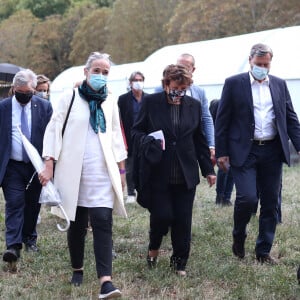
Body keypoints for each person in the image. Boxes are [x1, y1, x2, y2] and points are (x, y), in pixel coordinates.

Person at [40, 52, 127, 299]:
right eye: (97, 70)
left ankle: (106, 282)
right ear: (86, 72)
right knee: (77, 225)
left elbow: (115, 136)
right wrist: (49, 164)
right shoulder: (70, 97)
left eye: (105, 72)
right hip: (74, 172)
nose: (101, 75)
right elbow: (54, 130)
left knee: (103, 222)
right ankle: (77, 268)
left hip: (102, 172)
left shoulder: (110, 100)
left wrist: (121, 171)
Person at [215, 43, 300, 264]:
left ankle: (263, 251)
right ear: (250, 61)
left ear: (270, 63)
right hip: (245, 150)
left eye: (266, 64)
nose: (263, 67)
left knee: (271, 202)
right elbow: (222, 121)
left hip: (272, 150)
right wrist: (222, 152)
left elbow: (290, 118)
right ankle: (239, 234)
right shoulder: (234, 84)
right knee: (247, 198)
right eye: (258, 64)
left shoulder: (280, 85)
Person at [132, 64, 216, 276]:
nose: (179, 93)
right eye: (176, 88)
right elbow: (136, 131)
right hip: (158, 171)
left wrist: (208, 169)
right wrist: (148, 139)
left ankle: (179, 262)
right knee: (162, 216)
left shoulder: (194, 105)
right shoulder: (151, 103)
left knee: (182, 220)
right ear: (166, 84)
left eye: (184, 89)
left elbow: (199, 139)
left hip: (185, 173)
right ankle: (153, 247)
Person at [0, 69, 53, 268]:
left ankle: (30, 239)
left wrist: (49, 164)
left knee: (32, 203)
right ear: (14, 89)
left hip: (35, 165)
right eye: (20, 92)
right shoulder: (3, 108)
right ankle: (13, 246)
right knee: (14, 202)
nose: (24, 96)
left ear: (33, 90)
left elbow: (51, 137)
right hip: (12, 165)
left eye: (28, 92)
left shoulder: (44, 107)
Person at [154, 53, 215, 163]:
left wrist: (211, 145)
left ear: (193, 69)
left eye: (185, 67)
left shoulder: (199, 93)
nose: (180, 70)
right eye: (178, 66)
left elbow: (206, 119)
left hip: (191, 146)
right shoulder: (160, 90)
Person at [118, 71, 148, 203]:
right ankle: (130, 193)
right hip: (129, 137)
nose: (138, 82)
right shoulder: (123, 99)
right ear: (130, 83)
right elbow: (119, 120)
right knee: (130, 166)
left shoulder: (148, 98)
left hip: (145, 137)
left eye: (141, 80)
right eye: (136, 80)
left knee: (144, 166)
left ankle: (143, 191)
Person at [209, 99, 234, 206]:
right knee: (224, 169)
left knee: (231, 170)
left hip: (233, 142)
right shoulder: (217, 104)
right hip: (221, 142)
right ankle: (220, 197)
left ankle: (226, 198)